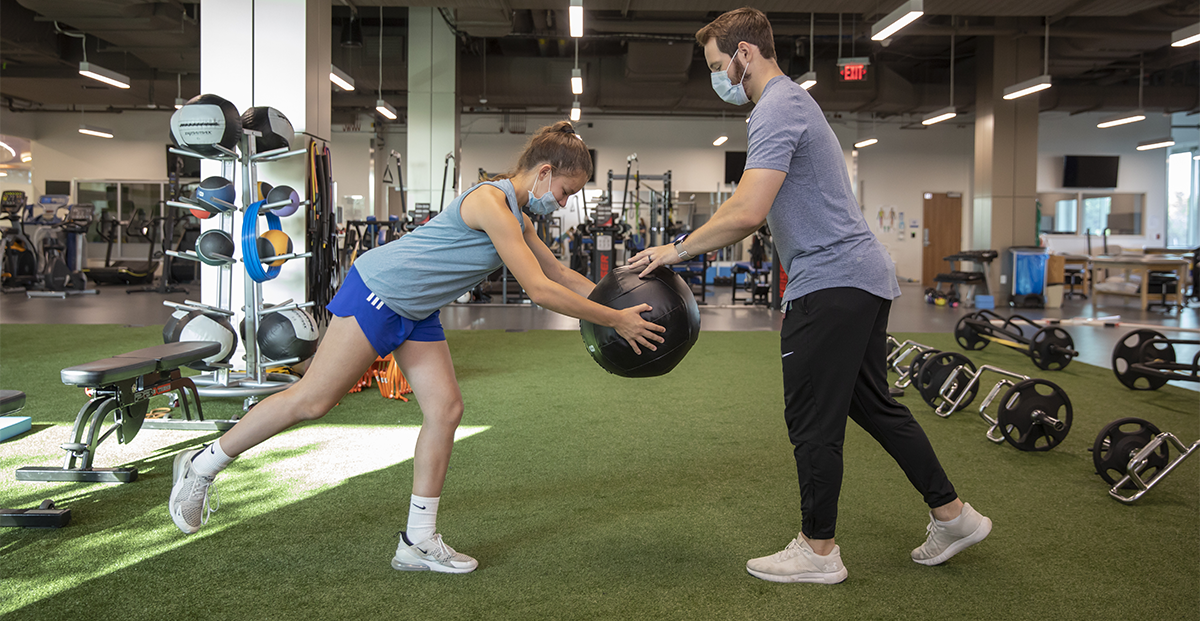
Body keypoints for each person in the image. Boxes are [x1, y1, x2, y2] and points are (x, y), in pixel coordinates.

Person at [169, 121, 666, 574]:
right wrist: (613, 320)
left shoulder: (520, 216)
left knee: (446, 409)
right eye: (563, 191)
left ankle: (418, 540)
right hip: (378, 291)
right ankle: (204, 464)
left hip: (414, 309)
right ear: (544, 171)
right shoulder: (490, 202)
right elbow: (538, 290)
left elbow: (557, 272)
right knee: (313, 401)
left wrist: (616, 296)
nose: (561, 203)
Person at [630, 7, 991, 584]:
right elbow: (745, 205)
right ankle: (954, 515)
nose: (718, 78)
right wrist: (682, 244)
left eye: (719, 66)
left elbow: (747, 214)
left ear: (744, 55)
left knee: (811, 417)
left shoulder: (776, 108)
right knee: (872, 404)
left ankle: (818, 551)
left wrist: (673, 251)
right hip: (860, 278)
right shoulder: (791, 105)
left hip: (832, 282)